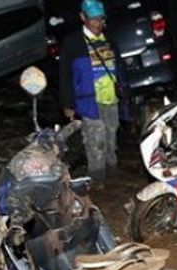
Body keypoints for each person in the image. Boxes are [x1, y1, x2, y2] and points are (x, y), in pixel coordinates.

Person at [59, 0, 123, 182]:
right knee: (96, 142)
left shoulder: (109, 40)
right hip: (88, 102)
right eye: (93, 20)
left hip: (112, 100)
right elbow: (65, 75)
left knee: (111, 140)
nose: (97, 24)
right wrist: (68, 104)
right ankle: (98, 182)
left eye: (100, 19)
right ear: (83, 18)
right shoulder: (72, 42)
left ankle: (113, 176)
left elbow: (119, 70)